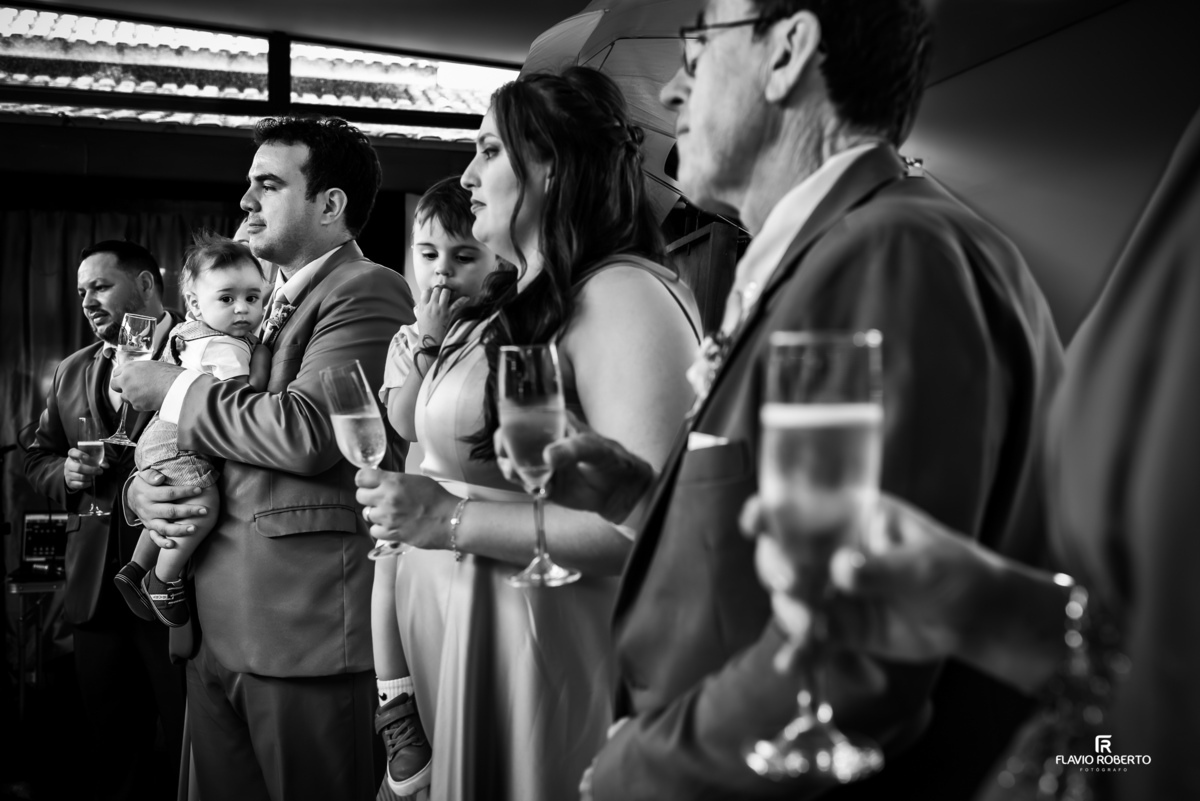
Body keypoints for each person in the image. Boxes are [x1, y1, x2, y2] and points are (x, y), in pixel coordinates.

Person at [520, 1, 1064, 798]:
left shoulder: (890, 253)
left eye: (697, 52)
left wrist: (637, 769)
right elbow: (807, 555)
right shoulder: (842, 248)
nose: (671, 92)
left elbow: (861, 653)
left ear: (787, 53)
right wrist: (643, 501)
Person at [752, 106, 1200, 801]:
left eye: (705, 37)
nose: (677, 88)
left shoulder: (898, 241)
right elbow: (1138, 689)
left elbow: (1158, 743)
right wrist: (993, 611)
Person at [354, 66, 702, 801]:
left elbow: (649, 525)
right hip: (459, 634)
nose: (467, 173)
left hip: (538, 643)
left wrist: (446, 518)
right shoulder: (515, 297)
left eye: (488, 150)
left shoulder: (622, 293)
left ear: (548, 163)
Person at [115, 116, 415, 801]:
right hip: (214, 631)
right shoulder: (261, 303)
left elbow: (308, 432)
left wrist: (175, 386)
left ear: (330, 204)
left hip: (300, 632)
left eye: (268, 184)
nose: (245, 199)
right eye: (248, 184)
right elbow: (214, 442)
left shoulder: (367, 290)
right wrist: (144, 493)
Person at [24, 239, 186, 800]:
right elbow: (35, 456)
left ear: (144, 286)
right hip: (94, 591)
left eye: (100, 286)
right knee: (114, 745)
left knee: (189, 739)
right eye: (81, 292)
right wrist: (63, 474)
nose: (88, 301)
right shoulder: (72, 371)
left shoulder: (199, 351)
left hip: (173, 582)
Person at [370, 176, 507, 796]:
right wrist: (425, 341)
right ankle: (396, 705)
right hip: (417, 500)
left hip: (466, 513)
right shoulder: (410, 337)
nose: (442, 273)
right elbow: (399, 422)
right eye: (428, 256)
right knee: (383, 563)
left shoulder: (500, 330)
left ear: (495, 261)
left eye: (463, 256)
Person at [113, 233, 268, 627]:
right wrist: (262, 360)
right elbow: (235, 405)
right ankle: (163, 581)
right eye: (227, 298)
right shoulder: (225, 347)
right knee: (199, 507)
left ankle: (136, 567)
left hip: (159, 441)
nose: (242, 310)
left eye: (253, 298)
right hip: (182, 445)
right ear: (196, 304)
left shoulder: (188, 333)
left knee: (171, 506)